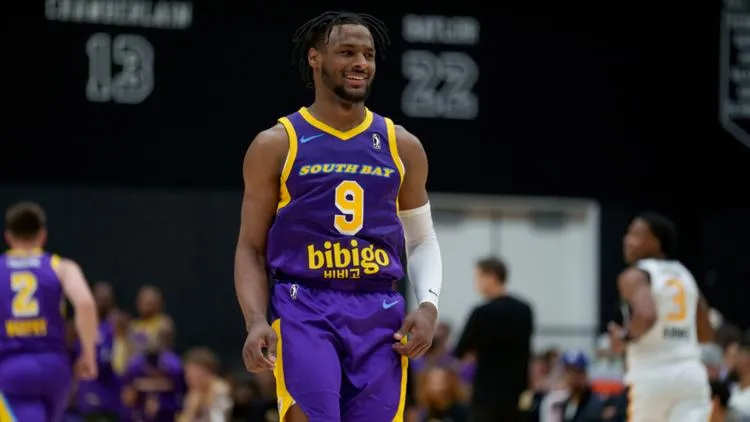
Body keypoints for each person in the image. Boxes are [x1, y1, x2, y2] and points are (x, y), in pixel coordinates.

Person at [234, 11, 443, 422]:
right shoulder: (277, 144)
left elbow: (421, 240)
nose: (361, 63)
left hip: (380, 310)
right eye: (347, 52)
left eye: (368, 54)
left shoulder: (402, 145)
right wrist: (256, 320)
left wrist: (429, 305)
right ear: (315, 59)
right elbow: (251, 247)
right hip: (303, 305)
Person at [608, 212, 714, 421]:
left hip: (652, 375)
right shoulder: (684, 274)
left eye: (636, 234)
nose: (627, 240)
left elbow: (647, 316)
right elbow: (706, 333)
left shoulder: (634, 275)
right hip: (691, 375)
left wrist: (624, 338)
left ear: (657, 242)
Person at [0, 201, 99, 421]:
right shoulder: (61, 266)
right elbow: (85, 303)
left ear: (8, 236)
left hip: (11, 366)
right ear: (42, 235)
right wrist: (88, 354)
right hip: (54, 366)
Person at [454, 256, 534, 421]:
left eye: (478, 277)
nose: (476, 282)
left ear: (491, 277)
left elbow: (460, 350)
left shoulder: (481, 313)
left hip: (486, 395)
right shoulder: (525, 310)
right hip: (516, 395)